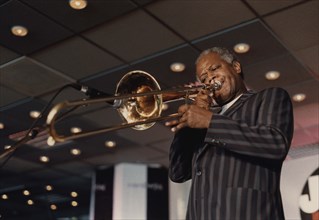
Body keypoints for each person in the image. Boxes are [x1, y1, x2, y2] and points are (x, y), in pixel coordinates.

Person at [165, 47, 294, 220]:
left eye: (214, 69)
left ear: (236, 67)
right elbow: (178, 173)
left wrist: (210, 121)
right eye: (203, 78)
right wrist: (188, 126)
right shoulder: (203, 122)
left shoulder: (269, 97)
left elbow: (275, 143)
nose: (209, 77)